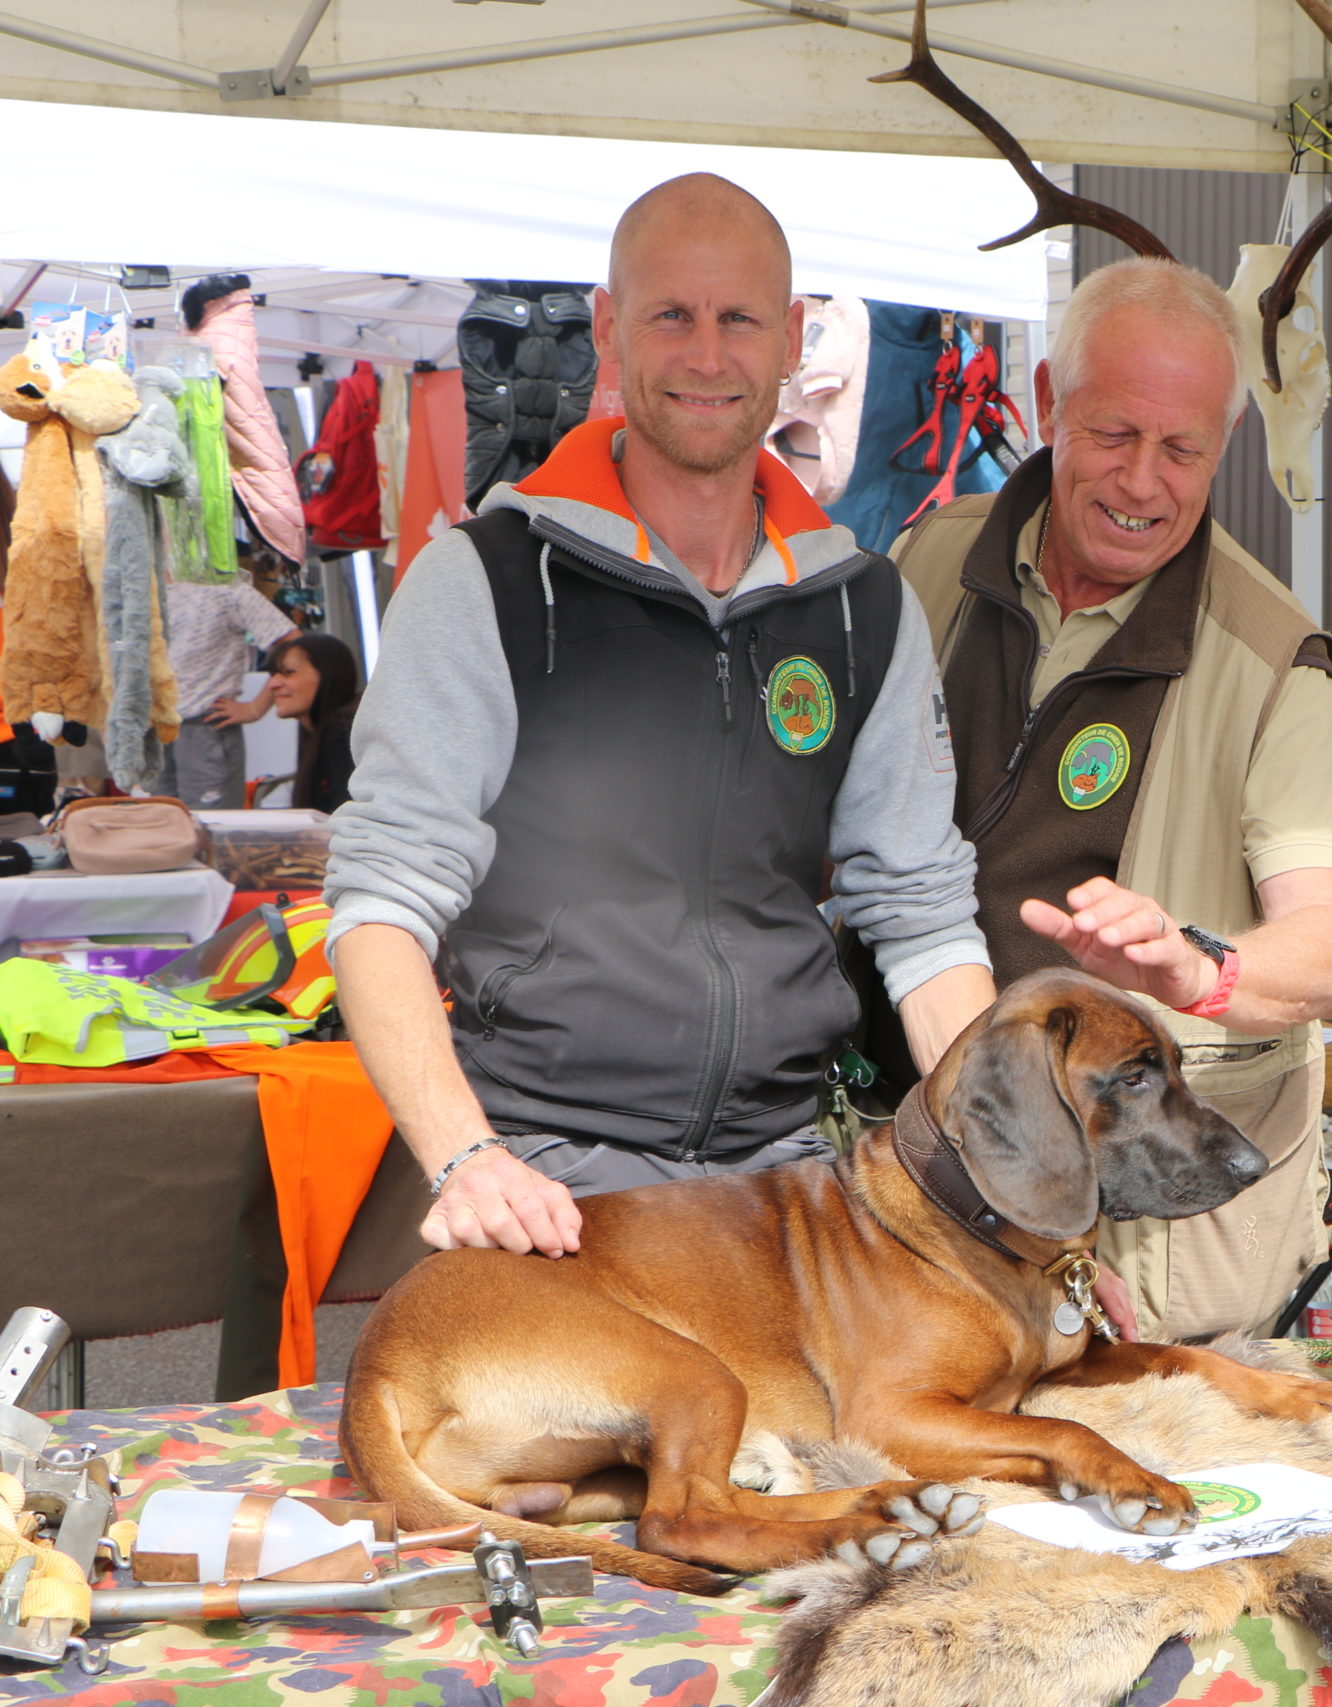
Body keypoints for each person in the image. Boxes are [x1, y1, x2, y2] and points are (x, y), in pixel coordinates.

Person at [324, 173, 996, 1259]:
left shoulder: (863, 604)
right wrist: (466, 1158)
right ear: (607, 327)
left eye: (740, 319)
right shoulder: (486, 581)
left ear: (792, 338)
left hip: (787, 1174)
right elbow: (381, 904)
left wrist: (1004, 1174)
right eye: (671, 315)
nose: (707, 355)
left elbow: (920, 916)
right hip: (547, 1178)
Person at [895, 257, 1332, 1344]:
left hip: (1145, 1233)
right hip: (935, 1165)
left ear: (1227, 441)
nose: (1143, 482)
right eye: (1113, 434)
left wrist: (1204, 971)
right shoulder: (930, 560)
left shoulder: (1273, 660)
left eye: (1182, 449)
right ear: (1048, 399)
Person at [157, 576, 300, 808]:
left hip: (204, 724)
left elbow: (291, 643)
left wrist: (256, 708)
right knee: (161, 821)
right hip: (153, 727)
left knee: (210, 823)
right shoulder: (138, 589)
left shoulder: (226, 590)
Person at [264, 631, 361, 814]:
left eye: (288, 672)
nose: (273, 684)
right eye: (273, 674)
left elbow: (342, 815)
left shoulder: (342, 730)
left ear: (328, 674)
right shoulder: (319, 733)